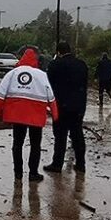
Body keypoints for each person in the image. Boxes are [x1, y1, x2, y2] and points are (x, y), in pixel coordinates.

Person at [0, 49, 58, 181]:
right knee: (35, 144)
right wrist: (55, 115)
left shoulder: (12, 73)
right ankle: (33, 173)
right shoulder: (42, 75)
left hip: (16, 115)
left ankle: (18, 173)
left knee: (17, 144)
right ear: (35, 61)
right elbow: (51, 97)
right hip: (36, 116)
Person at [45, 41, 89, 173]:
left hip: (60, 106)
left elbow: (48, 83)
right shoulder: (82, 65)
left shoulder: (55, 65)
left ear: (58, 52)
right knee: (77, 135)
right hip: (79, 106)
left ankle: (57, 164)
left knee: (60, 136)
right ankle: (81, 164)